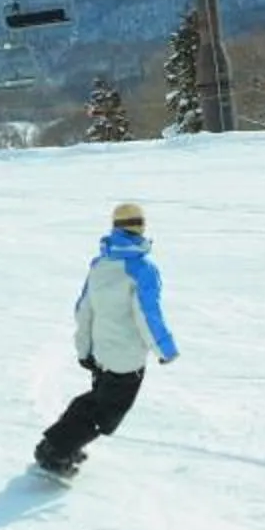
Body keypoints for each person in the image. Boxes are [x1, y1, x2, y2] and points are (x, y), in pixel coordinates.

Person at [34, 200, 179, 478]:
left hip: (101, 353)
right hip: (125, 359)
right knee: (105, 414)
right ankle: (56, 451)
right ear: (141, 228)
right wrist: (165, 349)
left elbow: (84, 309)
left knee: (95, 400)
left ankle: (57, 444)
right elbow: (147, 314)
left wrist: (84, 348)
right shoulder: (142, 268)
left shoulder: (101, 263)